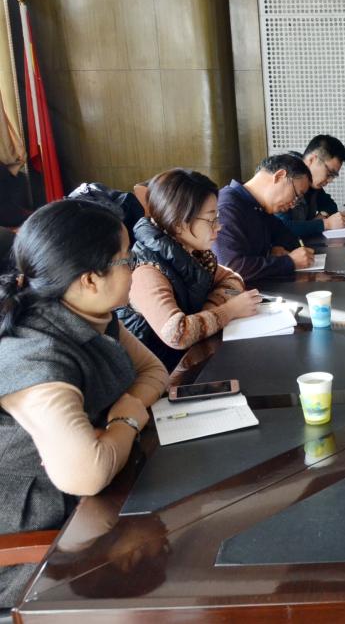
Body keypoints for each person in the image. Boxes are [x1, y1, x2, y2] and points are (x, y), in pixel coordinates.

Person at [0, 199, 168, 608]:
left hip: (94, 508)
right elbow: (86, 474)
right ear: (91, 279)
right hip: (36, 544)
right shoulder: (35, 357)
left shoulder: (91, 314)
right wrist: (126, 420)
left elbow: (154, 372)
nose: (138, 267)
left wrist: (115, 423)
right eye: (128, 259)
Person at [118, 169, 262, 371]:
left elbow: (233, 279)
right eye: (211, 219)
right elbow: (177, 334)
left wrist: (209, 310)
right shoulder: (146, 269)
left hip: (188, 361)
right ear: (179, 223)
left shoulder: (192, 254)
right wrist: (229, 310)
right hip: (160, 376)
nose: (218, 227)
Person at [212, 154, 315, 282]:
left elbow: (289, 238)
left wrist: (275, 248)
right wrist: (289, 262)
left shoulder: (259, 207)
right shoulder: (228, 207)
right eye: (296, 195)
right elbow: (231, 268)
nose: (293, 204)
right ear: (279, 176)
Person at [275, 134, 345, 237]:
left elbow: (330, 206)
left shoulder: (313, 183)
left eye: (333, 176)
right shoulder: (287, 177)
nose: (330, 180)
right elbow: (281, 228)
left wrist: (322, 215)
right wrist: (325, 224)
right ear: (312, 160)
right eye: (329, 173)